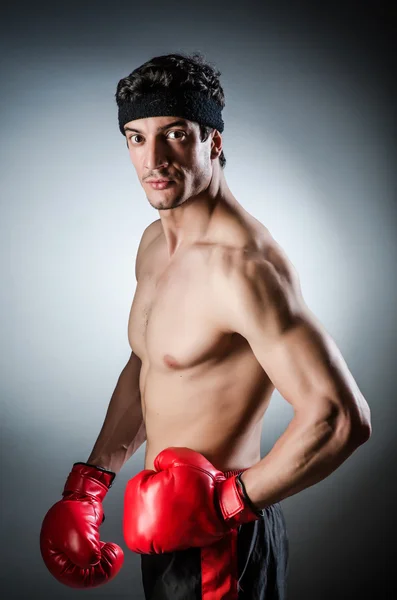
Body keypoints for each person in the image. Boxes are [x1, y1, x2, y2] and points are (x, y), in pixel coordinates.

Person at [40, 52, 372, 599]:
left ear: (212, 142)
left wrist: (228, 503)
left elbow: (340, 418)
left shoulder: (244, 267)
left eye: (174, 134)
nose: (154, 157)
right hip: (165, 531)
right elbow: (149, 360)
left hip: (224, 543)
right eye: (136, 137)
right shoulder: (154, 243)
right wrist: (92, 483)